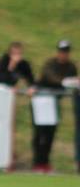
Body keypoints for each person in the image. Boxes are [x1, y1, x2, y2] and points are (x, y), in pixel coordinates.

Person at [32, 40, 78, 173]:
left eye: (66, 52)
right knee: (40, 132)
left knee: (51, 132)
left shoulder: (71, 66)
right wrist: (64, 82)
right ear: (58, 52)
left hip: (54, 102)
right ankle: (37, 162)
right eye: (62, 51)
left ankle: (45, 163)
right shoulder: (50, 64)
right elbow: (50, 77)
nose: (64, 54)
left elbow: (73, 81)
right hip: (41, 100)